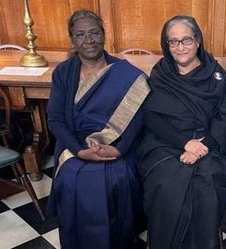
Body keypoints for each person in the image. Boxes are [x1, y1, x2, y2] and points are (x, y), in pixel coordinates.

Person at [47, 9, 149, 249]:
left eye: (94, 33)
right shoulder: (64, 73)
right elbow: (56, 120)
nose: (89, 40)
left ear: (104, 35)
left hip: (116, 144)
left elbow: (138, 118)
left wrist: (119, 150)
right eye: (80, 35)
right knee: (72, 178)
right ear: (72, 40)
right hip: (75, 145)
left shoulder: (127, 74)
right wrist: (79, 150)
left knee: (118, 175)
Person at [137, 15, 226, 249]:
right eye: (173, 42)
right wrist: (185, 143)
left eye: (186, 40)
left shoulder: (216, 75)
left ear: (198, 41)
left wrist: (201, 148)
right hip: (166, 143)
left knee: (207, 181)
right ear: (166, 45)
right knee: (165, 182)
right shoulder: (161, 73)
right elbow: (152, 116)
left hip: (208, 144)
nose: (180, 47)